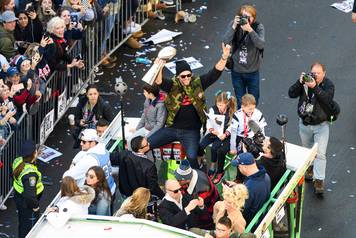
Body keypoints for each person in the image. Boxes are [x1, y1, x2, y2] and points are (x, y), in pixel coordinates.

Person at [148, 43, 231, 169]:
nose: (187, 78)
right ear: (177, 76)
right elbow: (158, 81)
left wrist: (224, 57)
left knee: (192, 157)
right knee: (147, 144)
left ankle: (200, 177)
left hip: (191, 131)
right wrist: (159, 66)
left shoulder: (198, 83)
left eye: (189, 75)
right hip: (172, 129)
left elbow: (215, 72)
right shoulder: (172, 85)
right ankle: (148, 168)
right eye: (183, 76)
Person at [288, 62, 335, 195]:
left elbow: (327, 99)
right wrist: (299, 82)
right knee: (307, 150)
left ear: (324, 74)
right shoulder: (305, 82)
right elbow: (291, 93)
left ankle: (319, 180)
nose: (315, 75)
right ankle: (310, 167)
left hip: (321, 125)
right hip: (305, 123)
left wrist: (314, 87)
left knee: (320, 153)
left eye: (318, 73)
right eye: (313, 73)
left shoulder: (328, 85)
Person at [223, 5, 265, 108]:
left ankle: (251, 118)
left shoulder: (258, 27)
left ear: (253, 19)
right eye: (243, 16)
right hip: (237, 71)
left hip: (253, 71)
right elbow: (225, 41)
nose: (245, 19)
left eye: (248, 17)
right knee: (239, 100)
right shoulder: (234, 25)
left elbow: (261, 44)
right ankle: (242, 122)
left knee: (254, 99)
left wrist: (250, 30)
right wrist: (233, 26)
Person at [198, 91, 237, 183]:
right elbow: (209, 121)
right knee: (201, 145)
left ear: (227, 104)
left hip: (224, 134)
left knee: (215, 148)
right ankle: (201, 161)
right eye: (218, 104)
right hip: (214, 132)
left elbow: (232, 125)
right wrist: (211, 129)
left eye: (221, 105)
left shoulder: (231, 110)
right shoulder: (213, 109)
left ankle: (214, 167)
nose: (219, 107)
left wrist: (226, 133)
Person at [63, 128, 116, 195]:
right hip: (110, 188)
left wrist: (72, 165)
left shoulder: (89, 160)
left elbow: (67, 176)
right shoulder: (104, 150)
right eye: (81, 141)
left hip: (99, 196)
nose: (81, 143)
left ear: (93, 142)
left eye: (84, 142)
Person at [174, 160, 220, 230]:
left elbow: (201, 211)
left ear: (187, 180)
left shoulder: (202, 190)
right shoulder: (192, 174)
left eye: (179, 180)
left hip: (210, 209)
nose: (177, 181)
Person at [12, 140, 44, 238]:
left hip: (19, 197)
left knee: (23, 224)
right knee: (30, 229)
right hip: (28, 205)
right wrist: (35, 207)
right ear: (33, 154)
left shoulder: (18, 161)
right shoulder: (30, 174)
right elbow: (29, 195)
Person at [231, 152, 270, 224]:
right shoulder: (266, 176)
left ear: (245, 167)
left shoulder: (249, 188)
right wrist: (237, 186)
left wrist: (232, 192)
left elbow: (242, 209)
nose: (238, 168)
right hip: (261, 213)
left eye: (239, 166)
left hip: (251, 221)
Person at [73, 84, 114, 148]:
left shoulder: (104, 106)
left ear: (98, 94)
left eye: (95, 94)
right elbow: (76, 119)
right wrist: (79, 122)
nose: (93, 96)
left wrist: (101, 127)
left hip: (98, 132)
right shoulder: (81, 103)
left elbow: (111, 122)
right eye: (90, 94)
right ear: (87, 95)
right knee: (85, 149)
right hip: (85, 131)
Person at [128, 83, 166, 150]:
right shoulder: (147, 101)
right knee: (130, 141)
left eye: (145, 92)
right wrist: (137, 129)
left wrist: (147, 137)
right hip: (145, 128)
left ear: (150, 93)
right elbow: (144, 115)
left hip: (154, 131)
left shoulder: (160, 105)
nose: (143, 93)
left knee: (144, 146)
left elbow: (159, 124)